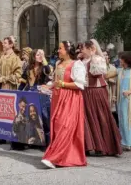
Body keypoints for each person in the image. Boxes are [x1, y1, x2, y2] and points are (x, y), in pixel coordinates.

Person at [41, 41, 87, 169]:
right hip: (57, 98)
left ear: (67, 50)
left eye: (60, 48)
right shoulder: (58, 63)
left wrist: (63, 85)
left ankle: (54, 157)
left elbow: (80, 85)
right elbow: (56, 81)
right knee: (57, 125)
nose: (58, 51)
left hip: (70, 99)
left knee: (64, 126)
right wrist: (49, 86)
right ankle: (62, 156)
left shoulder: (76, 64)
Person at [81, 40, 122, 156]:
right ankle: (89, 145)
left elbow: (97, 73)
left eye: (83, 48)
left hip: (96, 90)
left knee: (100, 116)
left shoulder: (97, 59)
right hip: (86, 91)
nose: (81, 50)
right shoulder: (83, 61)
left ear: (90, 48)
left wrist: (94, 56)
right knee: (88, 118)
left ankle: (104, 145)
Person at [0, 36, 22, 145]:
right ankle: (2, 135)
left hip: (9, 88)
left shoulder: (15, 58)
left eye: (5, 43)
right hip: (0, 88)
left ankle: (13, 135)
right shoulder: (2, 57)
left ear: (11, 45)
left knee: (10, 113)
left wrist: (4, 78)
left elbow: (17, 76)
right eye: (4, 43)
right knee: (0, 112)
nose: (3, 45)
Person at [103, 50, 118, 125]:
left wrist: (114, 96)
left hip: (109, 91)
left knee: (110, 112)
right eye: (102, 55)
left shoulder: (112, 68)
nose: (104, 56)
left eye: (106, 55)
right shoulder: (96, 66)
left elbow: (114, 83)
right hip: (98, 92)